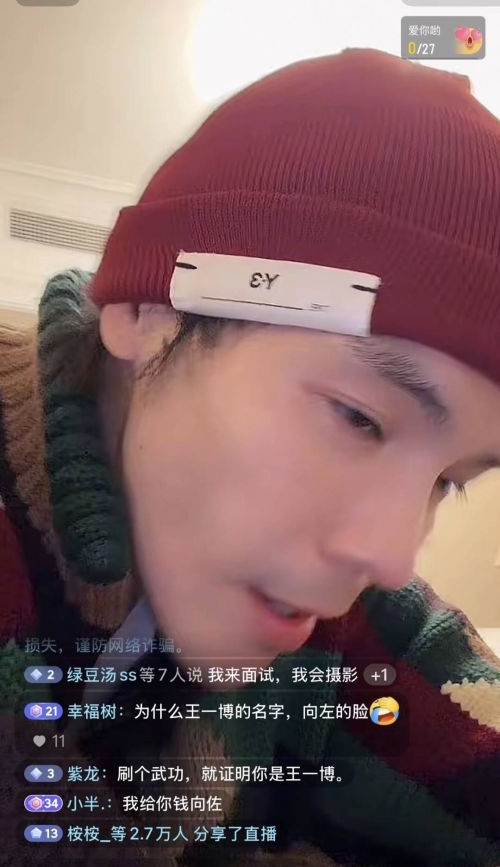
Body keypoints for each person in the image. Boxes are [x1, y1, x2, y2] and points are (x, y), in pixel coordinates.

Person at [1, 48, 500, 867]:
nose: (389, 554)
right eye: (358, 418)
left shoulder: (340, 623)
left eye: (448, 481)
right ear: (148, 307)